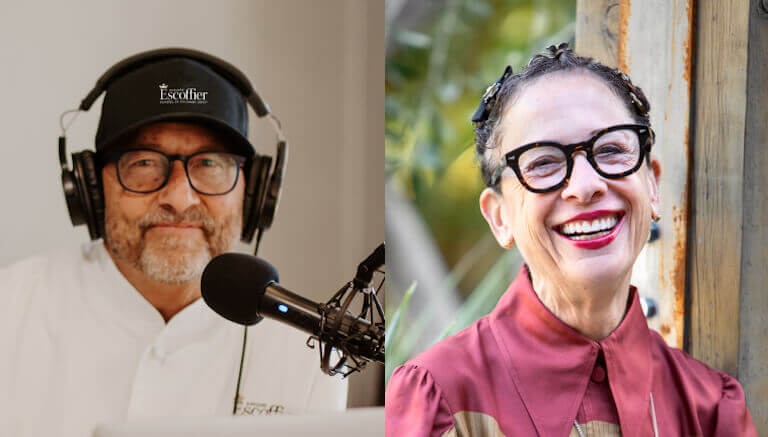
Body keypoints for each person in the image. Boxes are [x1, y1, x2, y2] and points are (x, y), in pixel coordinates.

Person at [385, 43, 757, 436]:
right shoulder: (441, 397)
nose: (584, 186)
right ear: (499, 217)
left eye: (612, 149)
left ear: (652, 188)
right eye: (543, 162)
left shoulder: (709, 409)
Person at [0, 49, 345, 437]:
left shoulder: (308, 353)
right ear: (90, 188)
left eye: (210, 163)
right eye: (144, 163)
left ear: (257, 191)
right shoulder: (10, 311)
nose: (180, 199)